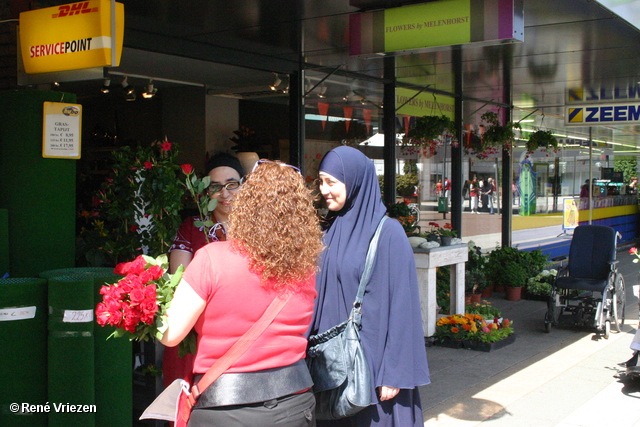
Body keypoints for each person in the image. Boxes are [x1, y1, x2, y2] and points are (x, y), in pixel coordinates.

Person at [160, 160, 324, 426]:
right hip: (296, 401)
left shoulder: (211, 258)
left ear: (246, 205)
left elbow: (170, 335)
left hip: (228, 407)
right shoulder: (305, 267)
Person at [311, 146, 430, 427]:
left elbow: (404, 305)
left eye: (332, 182)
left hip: (373, 367)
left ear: (355, 182)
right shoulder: (329, 229)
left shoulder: (388, 232)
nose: (324, 189)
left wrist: (394, 373)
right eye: (321, 181)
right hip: (331, 365)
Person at [162, 152, 246, 390]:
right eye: (216, 187)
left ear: (244, 185)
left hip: (246, 334)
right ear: (204, 192)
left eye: (232, 184)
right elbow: (180, 279)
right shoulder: (192, 228)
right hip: (200, 333)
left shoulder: (258, 229)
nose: (225, 194)